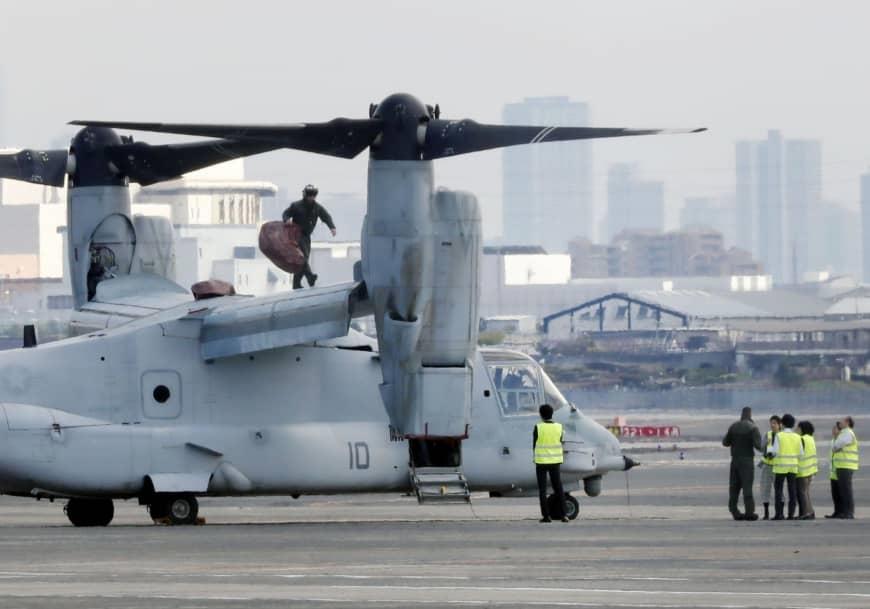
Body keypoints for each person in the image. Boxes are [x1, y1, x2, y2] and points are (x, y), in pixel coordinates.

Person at [281, 184, 336, 289]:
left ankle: (296, 284)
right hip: (295, 235)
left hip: (306, 236)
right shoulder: (296, 205)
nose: (311, 197)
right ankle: (310, 276)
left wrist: (332, 227)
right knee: (301, 257)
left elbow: (326, 216)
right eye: (309, 194)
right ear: (305, 194)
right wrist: (286, 219)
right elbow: (286, 213)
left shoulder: (317, 208)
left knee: (303, 258)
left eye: (313, 195)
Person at [722, 406, 763, 521]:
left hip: (735, 461)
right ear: (750, 414)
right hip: (747, 461)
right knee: (747, 487)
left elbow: (725, 442)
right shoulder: (753, 428)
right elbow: (758, 446)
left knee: (734, 487)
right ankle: (749, 512)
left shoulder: (733, 426)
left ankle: (734, 510)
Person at [533, 403, 567, 523]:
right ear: (552, 414)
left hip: (541, 462)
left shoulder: (538, 427)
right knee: (558, 488)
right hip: (555, 461)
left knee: (542, 490)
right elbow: (561, 441)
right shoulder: (559, 427)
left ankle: (546, 516)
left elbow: (534, 445)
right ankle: (564, 515)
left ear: (541, 415)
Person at [768, 413, 802, 520]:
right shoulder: (797, 437)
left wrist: (770, 451)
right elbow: (801, 453)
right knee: (792, 491)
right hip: (793, 467)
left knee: (779, 491)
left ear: (782, 423)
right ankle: (791, 514)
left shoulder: (779, 436)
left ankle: (779, 514)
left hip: (780, 467)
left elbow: (775, 452)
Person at [828, 416, 859, 519]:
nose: (840, 423)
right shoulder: (844, 433)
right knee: (842, 490)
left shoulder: (847, 433)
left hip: (846, 465)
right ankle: (842, 512)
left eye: (841, 421)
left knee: (846, 490)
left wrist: (836, 447)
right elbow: (835, 447)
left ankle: (849, 512)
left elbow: (837, 445)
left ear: (847, 422)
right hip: (841, 465)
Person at [758, 415, 781, 520]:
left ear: (779, 424)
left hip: (778, 466)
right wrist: (765, 445)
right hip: (767, 465)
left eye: (775, 423)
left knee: (779, 490)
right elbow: (761, 449)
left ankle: (779, 512)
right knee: (765, 489)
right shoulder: (767, 435)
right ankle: (766, 513)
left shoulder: (782, 436)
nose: (772, 425)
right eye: (771, 423)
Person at [796, 420, 817, 520]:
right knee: (807, 492)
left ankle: (805, 513)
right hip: (811, 469)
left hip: (802, 470)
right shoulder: (811, 439)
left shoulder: (801, 439)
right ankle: (811, 511)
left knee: (803, 493)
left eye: (798, 428)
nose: (796, 430)